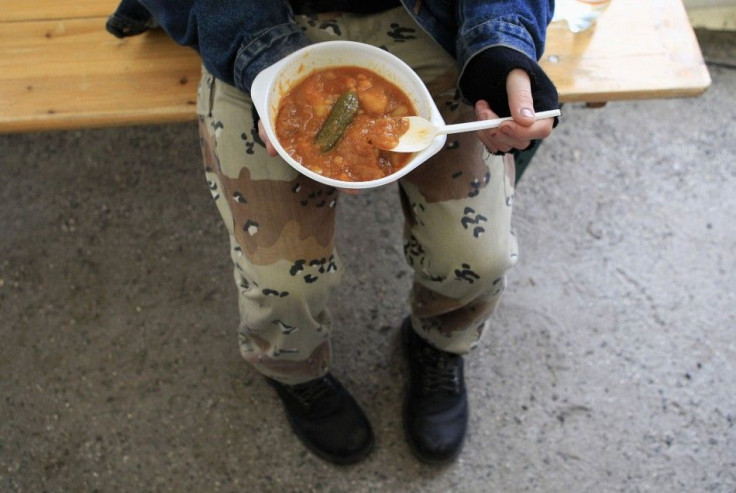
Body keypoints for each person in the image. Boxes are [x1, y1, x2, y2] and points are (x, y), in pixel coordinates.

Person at [107, 0, 559, 465]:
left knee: (477, 260)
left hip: (424, 19)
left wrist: (502, 46)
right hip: (248, 19)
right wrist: (260, 55)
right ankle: (294, 371)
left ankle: (438, 343)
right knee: (282, 285)